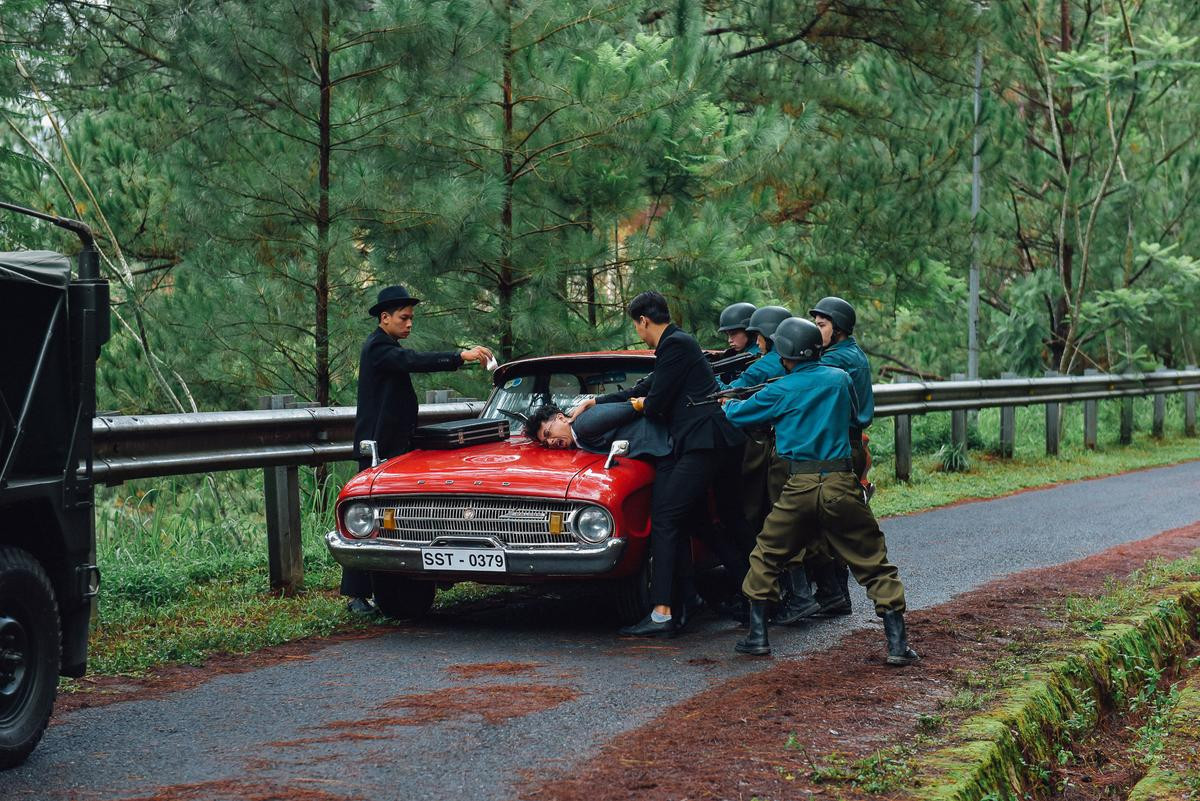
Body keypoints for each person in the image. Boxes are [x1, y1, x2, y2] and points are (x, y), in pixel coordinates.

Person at [722, 316, 918, 666]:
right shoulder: (840, 379)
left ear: (785, 353)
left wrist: (729, 404)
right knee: (872, 560)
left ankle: (757, 637)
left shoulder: (780, 388)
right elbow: (854, 419)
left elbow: (739, 416)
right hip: (841, 482)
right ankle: (897, 644)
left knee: (766, 554)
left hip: (798, 484)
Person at [571, 291, 750, 637]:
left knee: (666, 517)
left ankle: (662, 612)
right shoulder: (676, 345)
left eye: (636, 326)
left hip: (704, 443)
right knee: (698, 522)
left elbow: (653, 403)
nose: (639, 332)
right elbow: (646, 388)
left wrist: (641, 403)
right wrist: (595, 401)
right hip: (704, 443)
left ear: (643, 321)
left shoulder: (677, 345)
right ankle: (734, 595)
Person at [343, 284, 493, 615]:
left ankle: (398, 582)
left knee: (391, 516)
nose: (409, 324)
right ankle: (356, 596)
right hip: (377, 449)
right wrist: (459, 357)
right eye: (404, 318)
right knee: (364, 518)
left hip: (393, 445)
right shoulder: (379, 348)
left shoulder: (386, 344)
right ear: (385, 318)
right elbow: (412, 360)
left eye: (412, 318)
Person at [801, 296, 875, 617]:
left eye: (821, 326)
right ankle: (835, 593)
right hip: (845, 443)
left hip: (838, 446)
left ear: (839, 328)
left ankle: (832, 591)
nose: (816, 332)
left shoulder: (839, 361)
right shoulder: (843, 354)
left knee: (817, 521)